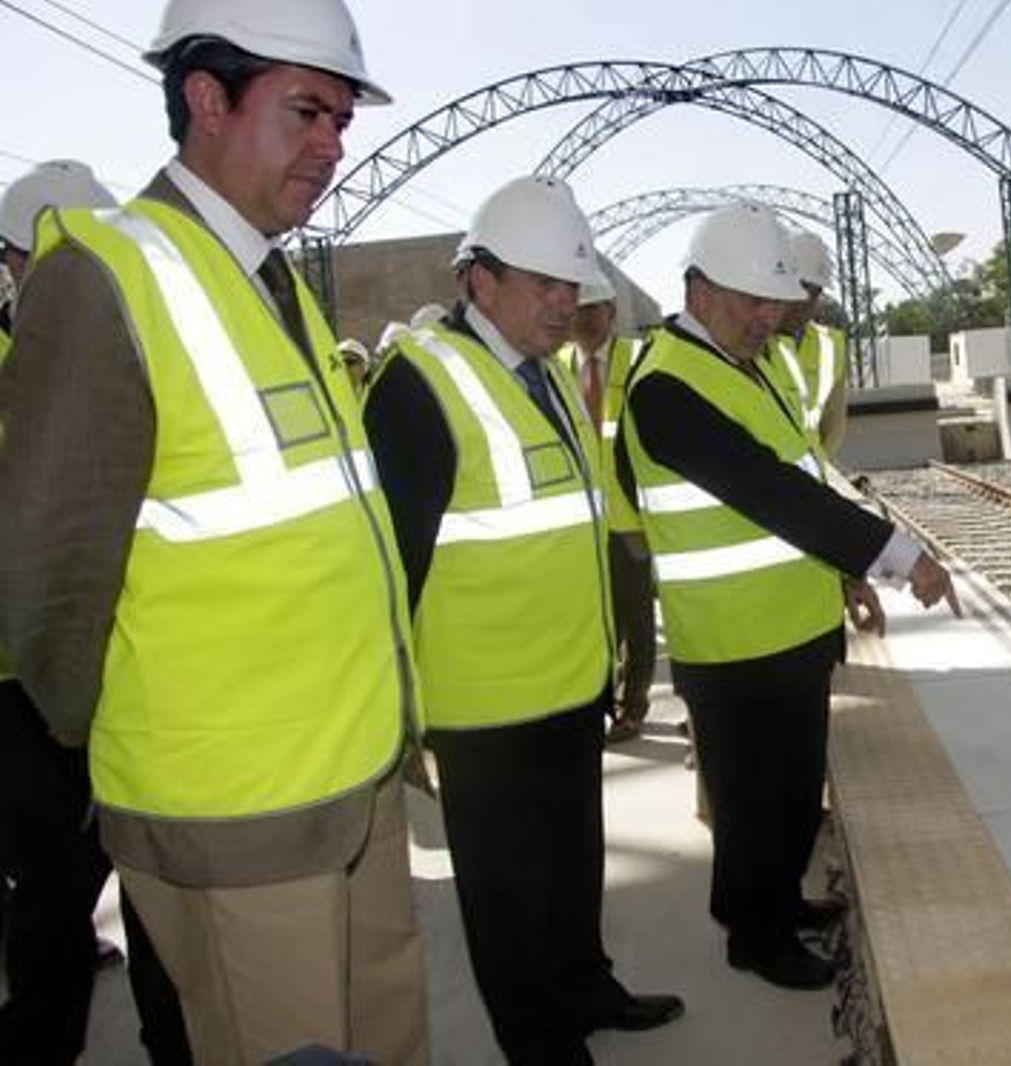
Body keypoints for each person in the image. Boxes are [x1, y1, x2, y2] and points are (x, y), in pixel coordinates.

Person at [0, 2, 429, 1061]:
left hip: (354, 778)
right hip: (236, 816)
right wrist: (152, 743)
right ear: (205, 97)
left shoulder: (266, 281)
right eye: (306, 111)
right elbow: (46, 583)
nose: (333, 144)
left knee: (386, 1037)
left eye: (342, 118)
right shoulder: (106, 279)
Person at [363, 175, 684, 1065]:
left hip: (568, 684)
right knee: (509, 901)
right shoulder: (418, 383)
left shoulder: (542, 377)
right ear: (478, 278)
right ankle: (542, 1045)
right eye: (542, 283)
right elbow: (393, 566)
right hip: (484, 708)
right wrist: (400, 713)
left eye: (570, 284)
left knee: (573, 869)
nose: (562, 302)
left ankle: (587, 988)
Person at [618, 203, 961, 991]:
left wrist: (848, 570)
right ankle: (754, 936)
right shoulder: (664, 388)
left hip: (793, 623)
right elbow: (771, 491)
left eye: (776, 303)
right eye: (751, 302)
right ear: (698, 290)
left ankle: (777, 903)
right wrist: (896, 555)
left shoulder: (754, 361)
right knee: (750, 805)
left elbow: (810, 468)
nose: (768, 318)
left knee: (793, 791)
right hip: (733, 639)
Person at [0, 159, 194, 1065]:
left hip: (110, 662)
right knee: (53, 884)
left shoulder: (96, 341)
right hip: (34, 679)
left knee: (127, 880)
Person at [557, 274, 658, 744]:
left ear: (611, 313)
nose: (582, 319)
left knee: (637, 620)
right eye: (577, 310)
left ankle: (633, 706)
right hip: (584, 524)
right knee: (596, 620)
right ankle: (600, 702)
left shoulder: (636, 359)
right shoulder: (556, 365)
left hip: (630, 520)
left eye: (592, 310)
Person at [763, 229, 849, 460]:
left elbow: (834, 425)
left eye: (816, 291)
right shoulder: (748, 341)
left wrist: (815, 471)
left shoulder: (831, 345)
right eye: (801, 287)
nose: (806, 300)